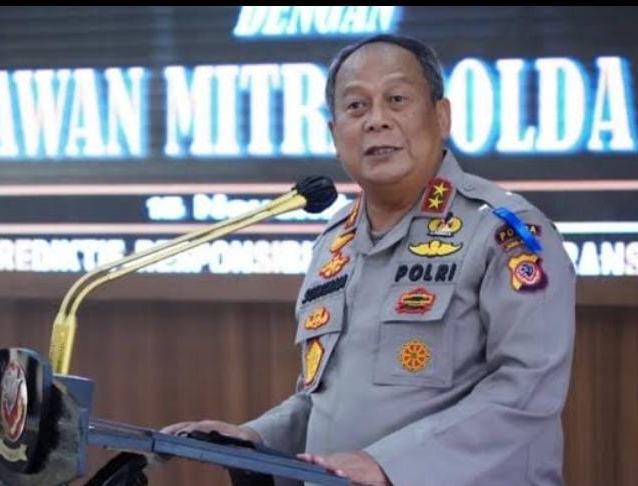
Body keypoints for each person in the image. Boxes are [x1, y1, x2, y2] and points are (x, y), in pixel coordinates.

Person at [163, 34, 576, 486]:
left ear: (441, 116)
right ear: (334, 134)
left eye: (397, 99)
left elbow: (528, 389)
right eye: (356, 106)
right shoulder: (335, 241)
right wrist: (256, 438)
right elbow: (327, 402)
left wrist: (389, 464)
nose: (376, 120)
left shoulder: (504, 231)